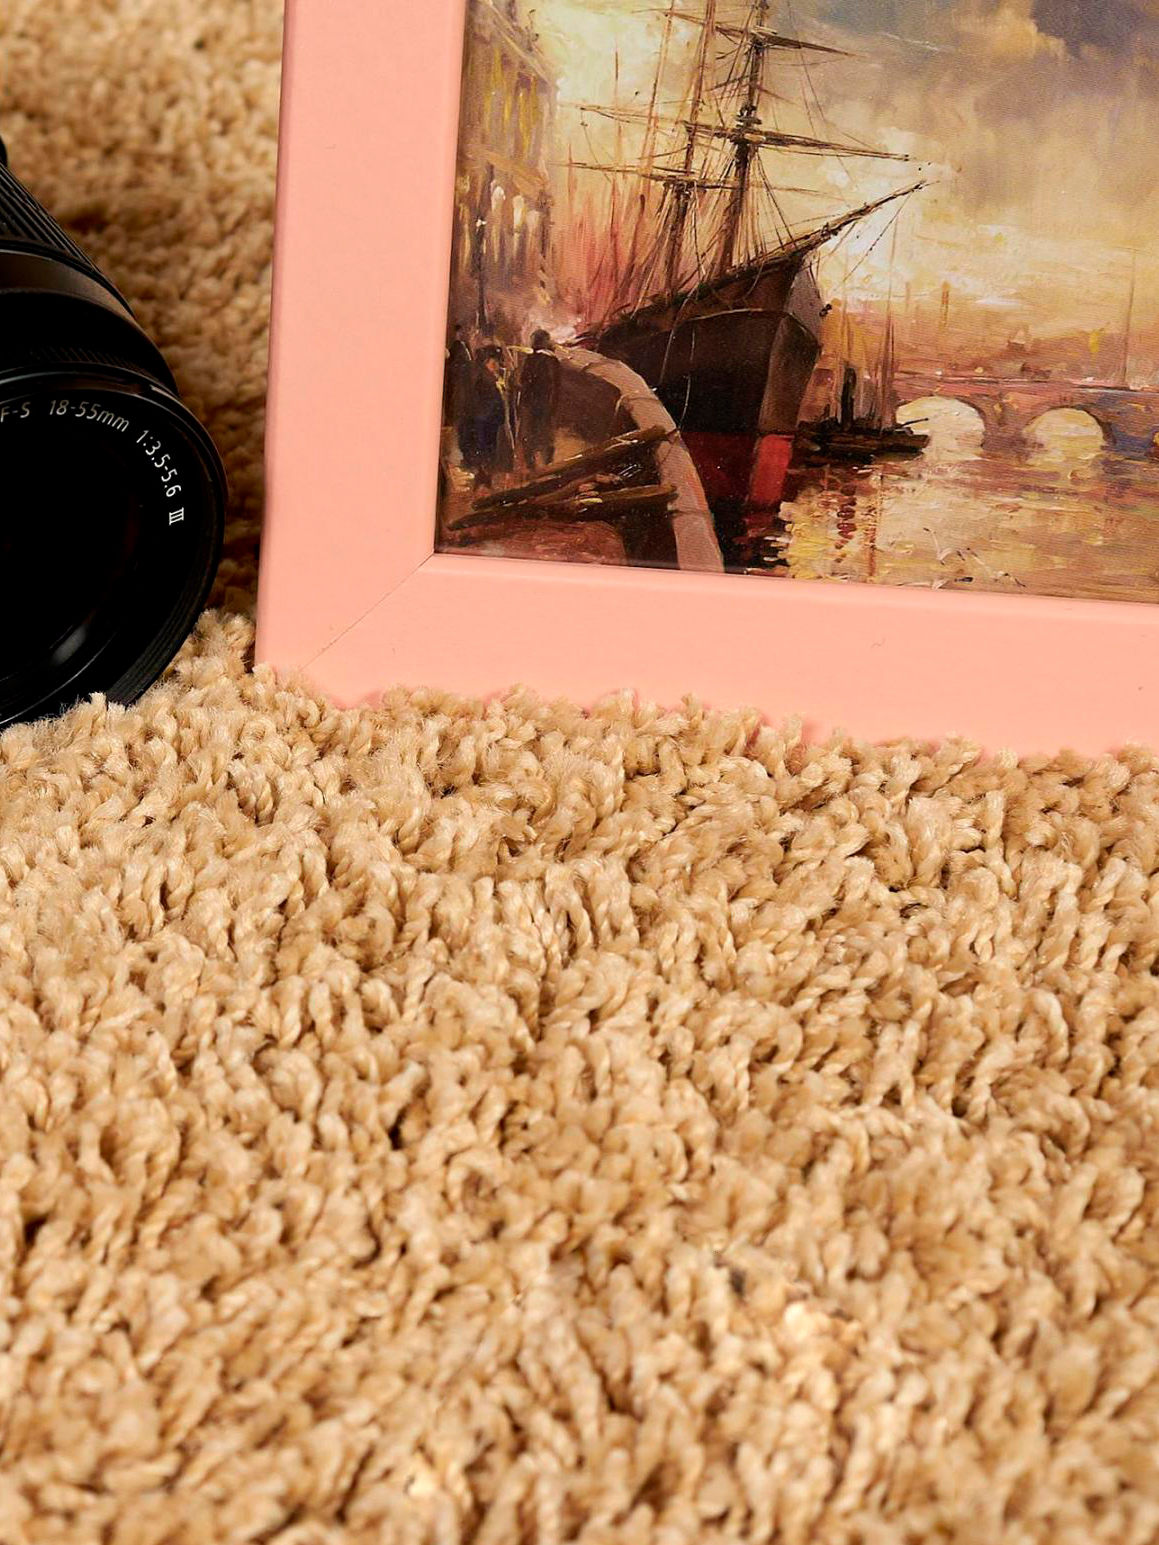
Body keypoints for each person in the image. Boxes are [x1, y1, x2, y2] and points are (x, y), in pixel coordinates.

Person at [462, 346, 513, 491]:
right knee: (485, 449)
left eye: (497, 362)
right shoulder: (483, 379)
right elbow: (484, 403)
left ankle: (486, 478)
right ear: (486, 363)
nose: (496, 365)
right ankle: (483, 479)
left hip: (492, 421)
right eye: (493, 363)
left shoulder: (494, 377)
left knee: (490, 450)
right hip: (485, 421)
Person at [516, 329, 561, 472]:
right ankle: (547, 464)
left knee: (530, 435)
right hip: (545, 403)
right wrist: (553, 406)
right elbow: (556, 385)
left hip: (531, 403)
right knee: (544, 435)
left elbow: (524, 381)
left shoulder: (531, 359)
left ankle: (532, 466)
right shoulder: (552, 360)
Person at [444, 323, 474, 461]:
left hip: (462, 392)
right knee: (456, 424)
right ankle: (454, 457)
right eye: (470, 330)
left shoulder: (464, 347)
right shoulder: (457, 348)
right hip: (459, 392)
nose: (473, 333)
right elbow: (458, 372)